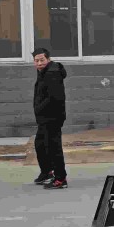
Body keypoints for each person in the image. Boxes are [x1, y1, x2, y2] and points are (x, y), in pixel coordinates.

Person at [32, 48, 68, 189]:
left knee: (54, 147)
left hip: (52, 117)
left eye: (42, 60)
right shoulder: (43, 71)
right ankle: (47, 172)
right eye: (37, 60)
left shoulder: (52, 73)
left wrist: (39, 108)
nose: (39, 63)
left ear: (48, 59)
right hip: (44, 117)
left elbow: (55, 97)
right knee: (40, 144)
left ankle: (60, 179)